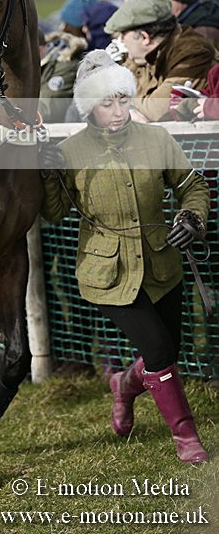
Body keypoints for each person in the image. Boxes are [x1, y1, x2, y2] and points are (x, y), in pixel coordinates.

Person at [39, 50, 210, 463]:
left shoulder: (157, 139)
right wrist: (44, 173)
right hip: (107, 273)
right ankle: (186, 436)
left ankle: (124, 385)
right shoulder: (70, 152)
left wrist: (191, 217)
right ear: (88, 106)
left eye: (121, 99)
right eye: (105, 102)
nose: (117, 112)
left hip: (162, 263)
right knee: (158, 351)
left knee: (170, 348)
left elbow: (193, 186)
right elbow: (53, 213)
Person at [104, 0, 215, 122]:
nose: (120, 42)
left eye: (123, 35)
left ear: (145, 38)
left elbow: (158, 111)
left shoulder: (193, 53)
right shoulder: (143, 56)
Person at [38, 30, 87, 123]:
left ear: (40, 48)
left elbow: (48, 109)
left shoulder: (65, 65)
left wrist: (11, 111)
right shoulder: (40, 65)